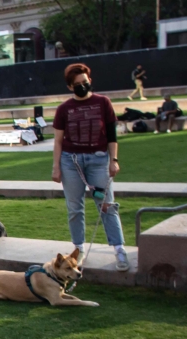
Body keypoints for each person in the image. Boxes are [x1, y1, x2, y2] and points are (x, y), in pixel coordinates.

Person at [51, 63, 129, 271]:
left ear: (90, 81)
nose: (82, 86)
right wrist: (56, 167)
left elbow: (112, 136)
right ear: (70, 87)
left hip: (98, 159)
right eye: (77, 84)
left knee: (106, 205)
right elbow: (58, 141)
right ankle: (78, 249)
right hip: (71, 161)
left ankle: (119, 248)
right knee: (75, 208)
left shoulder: (103, 103)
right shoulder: (64, 109)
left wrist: (114, 160)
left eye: (85, 83)